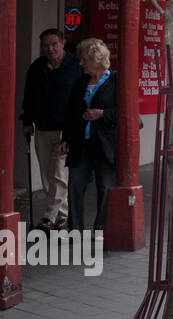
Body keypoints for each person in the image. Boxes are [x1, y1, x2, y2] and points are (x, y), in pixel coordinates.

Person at [20, 28, 83, 231]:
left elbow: (80, 97)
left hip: (66, 130)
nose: (50, 48)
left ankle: (49, 217)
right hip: (43, 128)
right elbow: (29, 97)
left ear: (63, 43)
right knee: (48, 174)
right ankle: (61, 216)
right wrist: (27, 121)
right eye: (46, 45)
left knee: (58, 173)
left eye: (54, 44)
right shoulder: (37, 67)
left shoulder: (75, 66)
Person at [60, 38, 117, 236]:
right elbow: (70, 112)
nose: (80, 63)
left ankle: (99, 229)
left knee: (105, 187)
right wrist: (65, 138)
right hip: (80, 143)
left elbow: (126, 113)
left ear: (95, 60)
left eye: (84, 59)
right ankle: (75, 229)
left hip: (104, 143)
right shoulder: (81, 81)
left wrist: (101, 114)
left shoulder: (115, 81)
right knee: (75, 184)